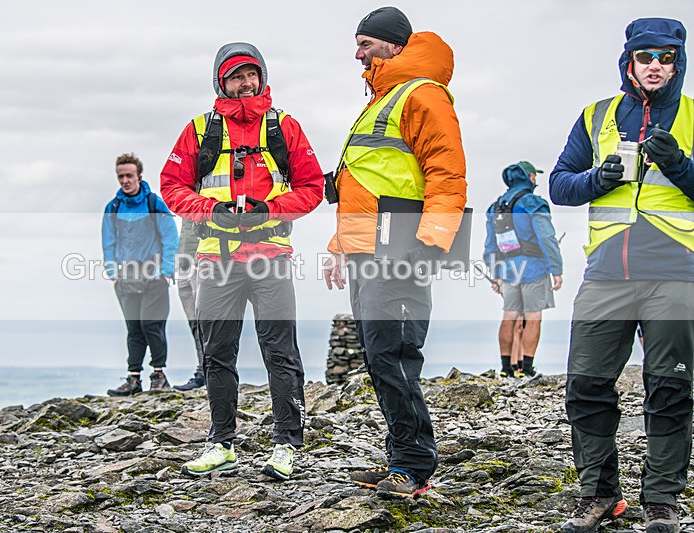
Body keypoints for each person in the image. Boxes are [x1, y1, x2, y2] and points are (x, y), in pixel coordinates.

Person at [550, 18, 694, 533]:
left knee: (670, 388)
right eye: (645, 56)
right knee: (586, 385)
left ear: (678, 63)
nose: (655, 66)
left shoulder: (693, 115)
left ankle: (662, 501)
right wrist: (598, 178)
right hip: (607, 273)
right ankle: (599, 495)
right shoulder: (596, 116)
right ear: (629, 62)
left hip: (676, 273)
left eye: (667, 57)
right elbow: (560, 186)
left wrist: (679, 165)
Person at [160, 42, 323, 481]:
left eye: (251, 74)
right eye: (235, 76)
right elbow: (171, 184)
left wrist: (271, 209)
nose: (245, 83)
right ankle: (221, 443)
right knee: (216, 352)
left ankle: (287, 445)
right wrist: (209, 211)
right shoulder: (200, 129)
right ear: (221, 83)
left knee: (280, 352)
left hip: (271, 258)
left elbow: (312, 186)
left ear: (262, 77)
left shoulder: (284, 126)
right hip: (216, 259)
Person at [323, 7, 467, 499]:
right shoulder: (381, 99)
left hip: (402, 250)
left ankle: (413, 465)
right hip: (368, 250)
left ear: (393, 45)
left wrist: (430, 244)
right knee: (380, 357)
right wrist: (339, 247)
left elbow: (448, 174)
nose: (357, 53)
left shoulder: (421, 93)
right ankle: (400, 456)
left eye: (365, 43)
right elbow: (363, 185)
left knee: (395, 356)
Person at [102, 152, 179, 396]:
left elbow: (170, 237)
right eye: (121, 176)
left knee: (151, 324)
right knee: (134, 327)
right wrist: (113, 273)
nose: (125, 180)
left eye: (129, 175)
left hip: (154, 275)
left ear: (139, 176)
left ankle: (159, 375)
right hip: (126, 277)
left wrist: (165, 271)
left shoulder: (154, 203)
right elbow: (108, 242)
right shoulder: (113, 207)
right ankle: (133, 379)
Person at [484, 161, 563, 379]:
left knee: (509, 315)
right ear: (529, 177)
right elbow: (546, 238)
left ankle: (506, 368)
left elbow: (490, 246)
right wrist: (556, 268)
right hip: (534, 268)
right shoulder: (533, 203)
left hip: (507, 271)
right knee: (533, 316)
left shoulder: (496, 206)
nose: (536, 180)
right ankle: (527, 368)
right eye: (534, 176)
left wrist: (496, 274)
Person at [172, 218, 206, 391]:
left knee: (205, 323)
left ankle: (210, 371)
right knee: (195, 324)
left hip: (201, 263)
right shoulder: (186, 205)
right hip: (184, 265)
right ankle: (202, 371)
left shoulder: (204, 200)